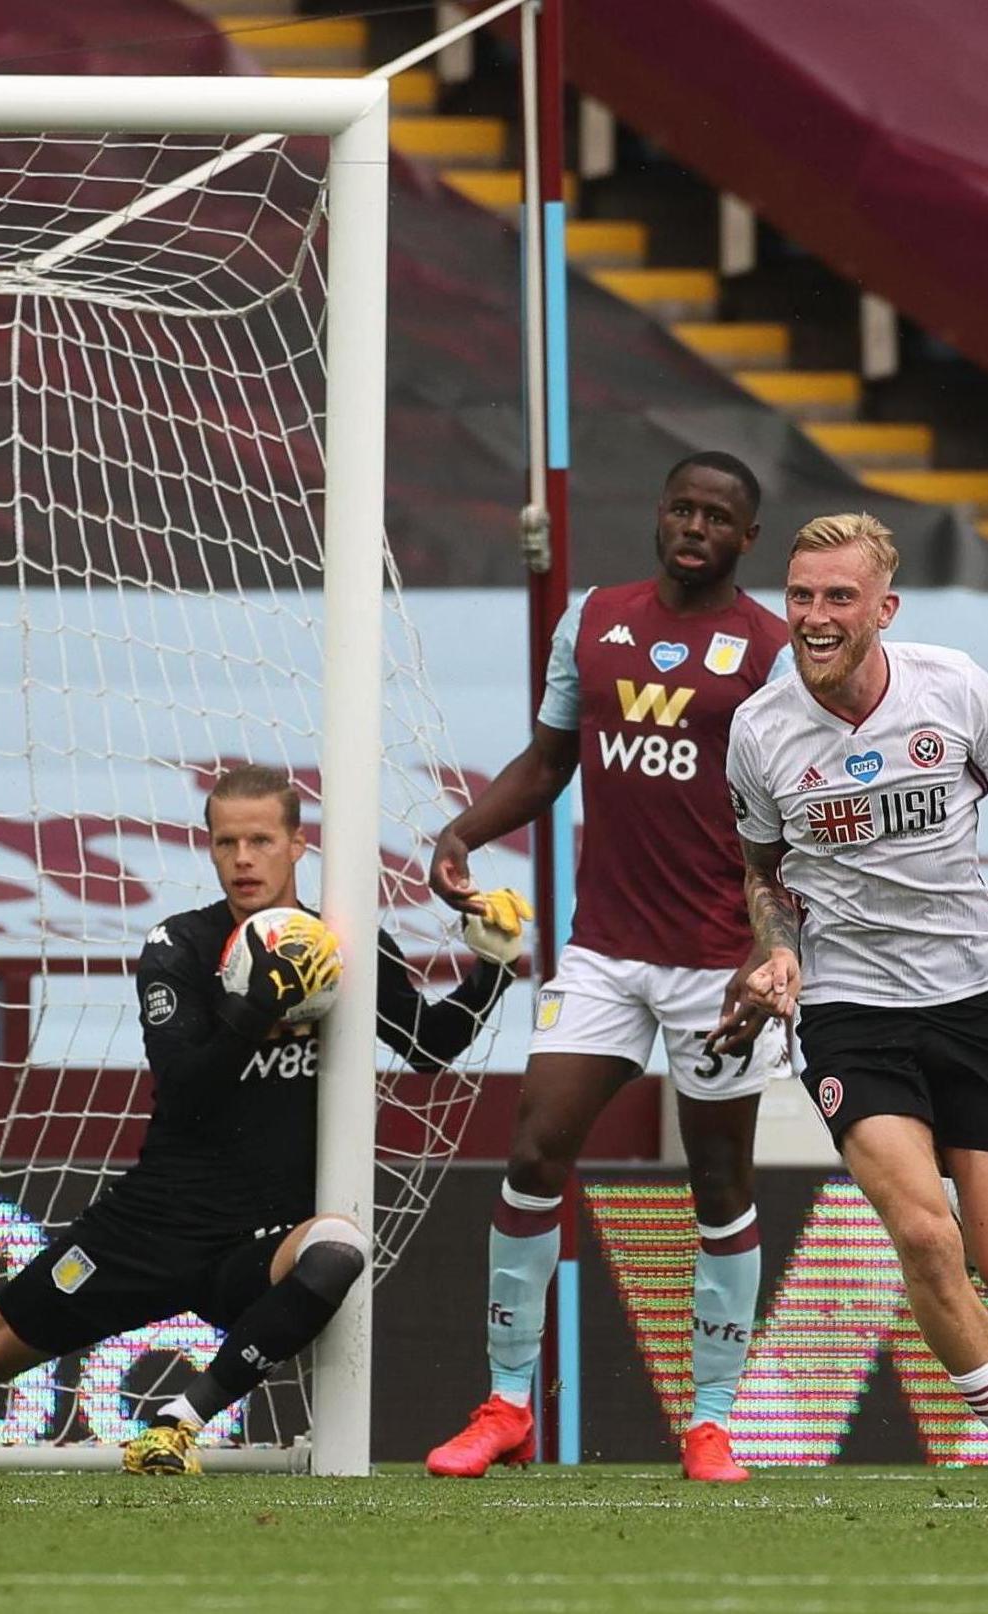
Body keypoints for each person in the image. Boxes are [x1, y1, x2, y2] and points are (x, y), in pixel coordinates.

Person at [0, 766, 523, 1475]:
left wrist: (490, 967)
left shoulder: (337, 944)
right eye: (224, 841)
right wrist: (253, 1006)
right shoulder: (179, 946)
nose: (241, 859)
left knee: (336, 1250)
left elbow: (430, 1046)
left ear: (299, 844)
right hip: (154, 1221)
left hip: (257, 1237)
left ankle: (176, 1427)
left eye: (260, 840)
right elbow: (185, 1087)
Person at [425, 453, 790, 1485]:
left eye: (716, 517)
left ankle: (710, 1421)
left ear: (744, 540)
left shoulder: (767, 653)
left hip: (715, 963)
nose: (692, 526)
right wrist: (462, 830)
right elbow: (548, 762)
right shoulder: (589, 620)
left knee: (717, 1181)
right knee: (535, 1149)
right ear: (658, 514)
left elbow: (788, 825)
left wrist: (767, 955)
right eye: (679, 506)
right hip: (603, 955)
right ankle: (505, 1406)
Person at [722, 513, 988, 1437]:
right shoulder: (759, 732)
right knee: (921, 1231)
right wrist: (778, 948)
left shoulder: (953, 688)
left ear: (885, 606)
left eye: (838, 597)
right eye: (799, 596)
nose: (815, 616)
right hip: (849, 1006)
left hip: (972, 992)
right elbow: (762, 871)